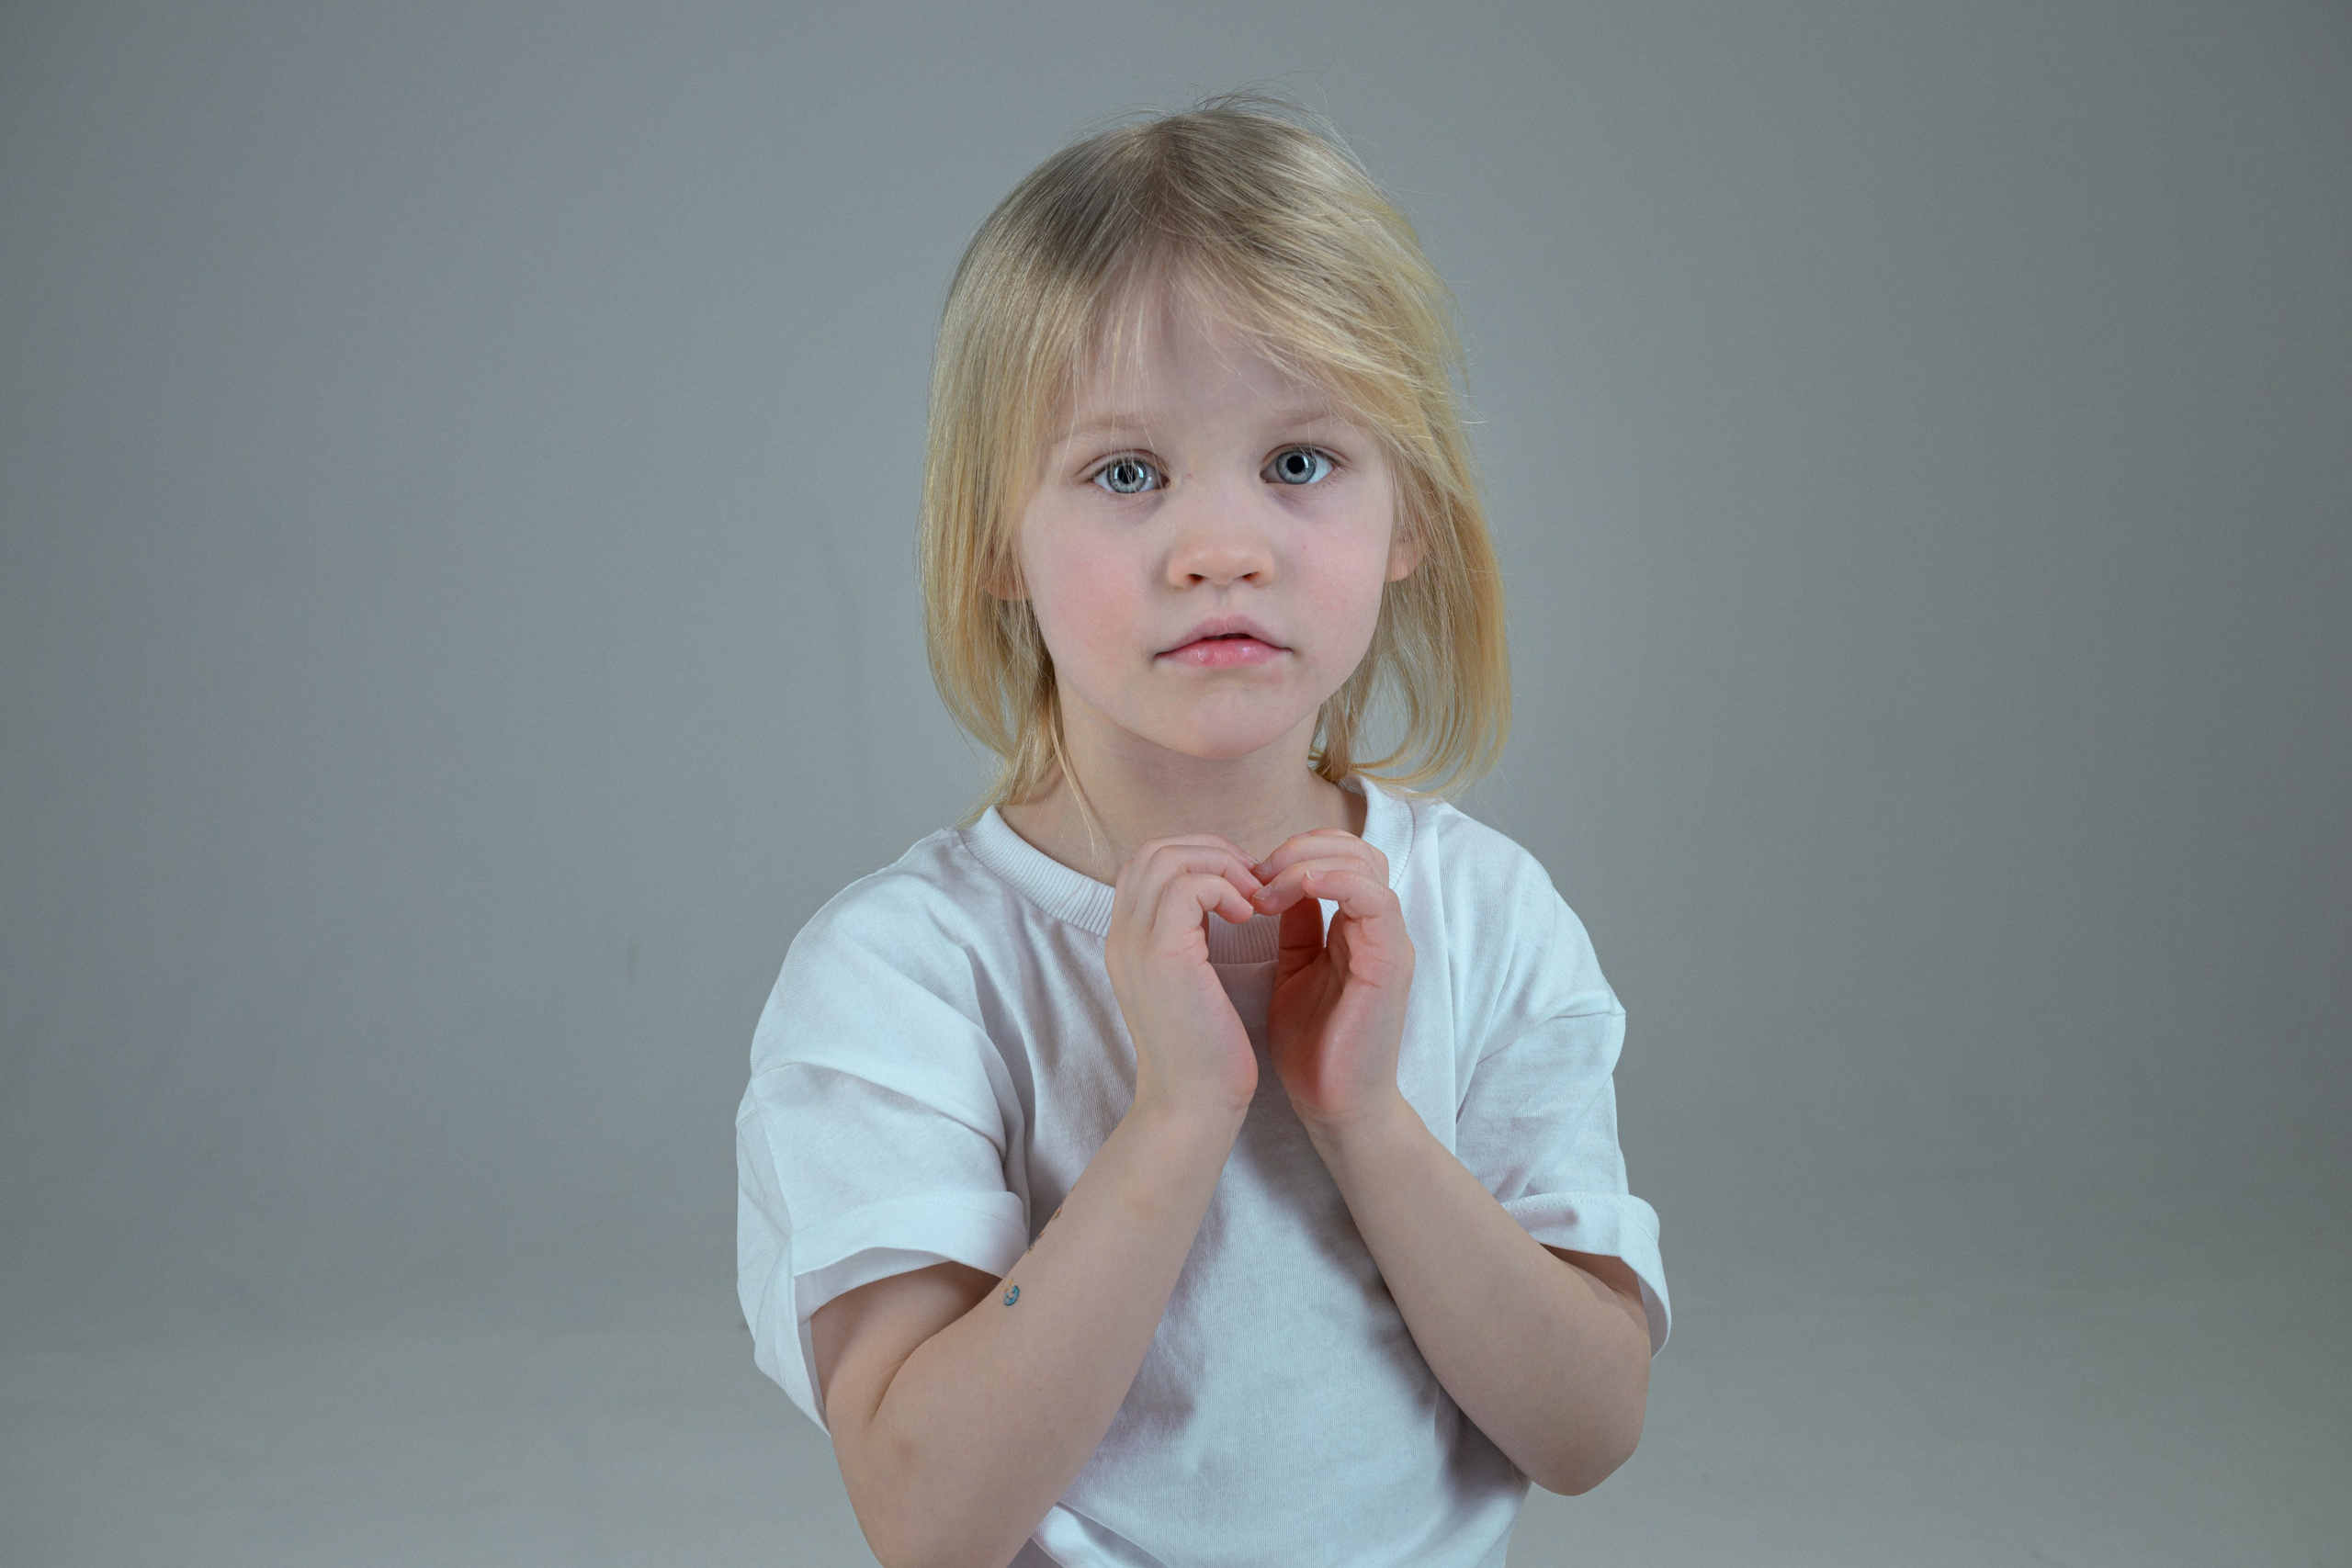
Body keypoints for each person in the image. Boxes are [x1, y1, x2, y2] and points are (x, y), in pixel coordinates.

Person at [736, 95, 1670, 1568]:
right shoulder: (905, 978)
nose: (1222, 549)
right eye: (1127, 473)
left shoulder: (1487, 919)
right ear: (995, 538)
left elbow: (1589, 1429)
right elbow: (926, 1514)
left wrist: (1366, 1121)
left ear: (1411, 512)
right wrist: (1178, 1116)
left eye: (1300, 463)